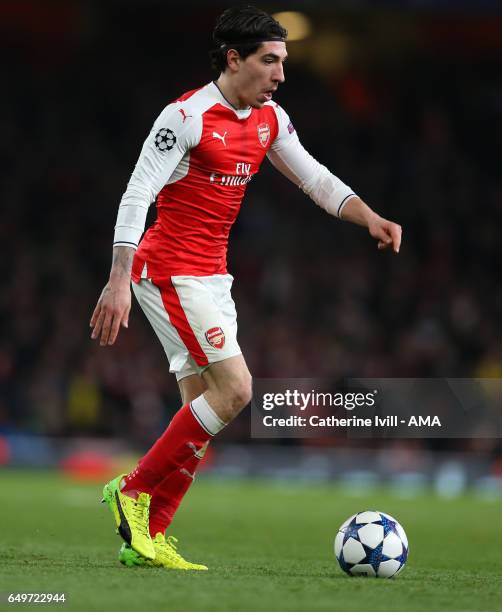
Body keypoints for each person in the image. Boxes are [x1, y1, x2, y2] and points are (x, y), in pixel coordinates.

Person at [90, 5, 402, 570]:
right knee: (235, 390)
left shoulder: (270, 121)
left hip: (212, 276)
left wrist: (371, 217)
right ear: (234, 59)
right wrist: (116, 280)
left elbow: (316, 180)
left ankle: (149, 537)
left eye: (283, 62)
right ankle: (132, 491)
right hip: (168, 272)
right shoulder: (184, 116)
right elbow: (137, 195)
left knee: (201, 410)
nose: (281, 74)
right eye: (270, 61)